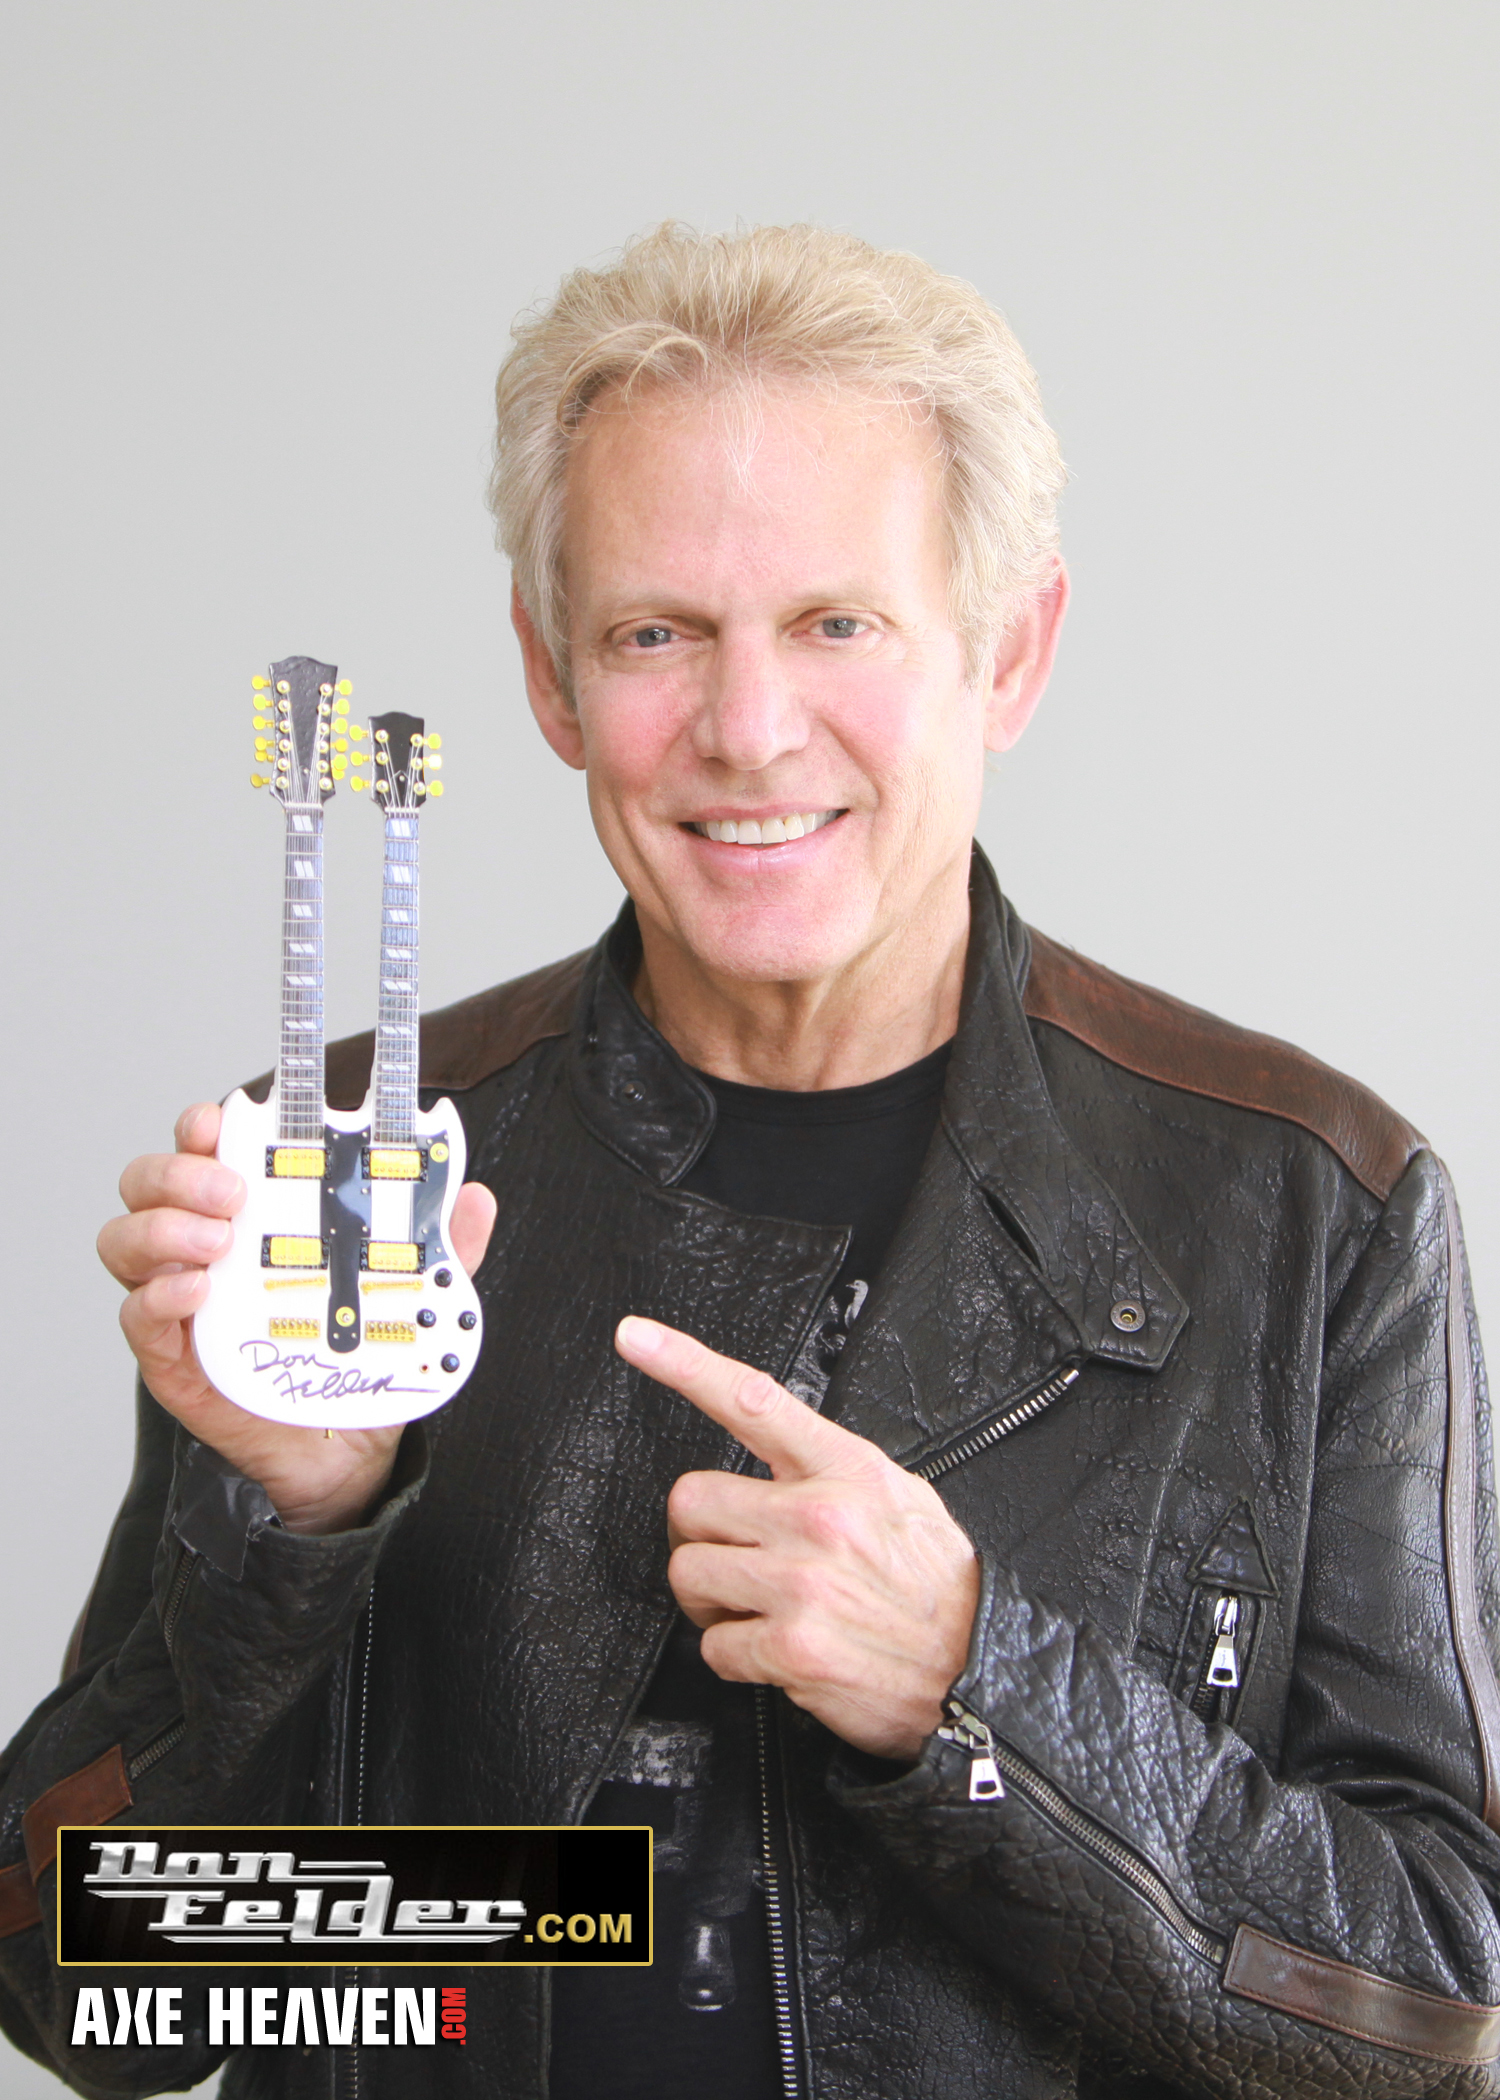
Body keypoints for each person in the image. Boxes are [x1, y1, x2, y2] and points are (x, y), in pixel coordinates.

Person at [2, 221, 1498, 2099]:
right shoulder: (348, 1177)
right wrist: (283, 1537)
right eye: (658, 634)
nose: (748, 730)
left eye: (836, 624)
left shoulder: (1313, 1209)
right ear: (552, 676)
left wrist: (974, 1694)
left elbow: (1450, 2010)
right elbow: (86, 1985)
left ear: (1011, 650)